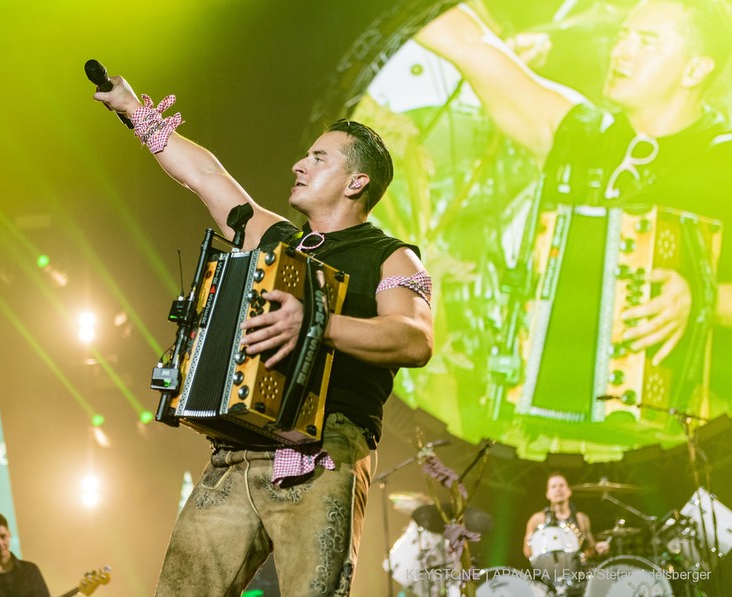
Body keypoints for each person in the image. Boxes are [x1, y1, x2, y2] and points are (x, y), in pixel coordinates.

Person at [92, 74, 434, 595]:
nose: (299, 164)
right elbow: (206, 176)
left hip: (324, 450)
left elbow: (414, 339)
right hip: (238, 449)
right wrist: (135, 110)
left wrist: (316, 325)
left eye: (320, 158)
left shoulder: (390, 255)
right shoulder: (278, 240)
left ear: (356, 182)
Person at [416, 0, 732, 407]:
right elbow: (470, 43)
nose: (621, 51)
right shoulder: (580, 133)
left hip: (674, 433)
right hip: (542, 415)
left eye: (647, 41)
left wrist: (703, 299)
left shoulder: (722, 160)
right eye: (623, 35)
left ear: (695, 69)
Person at [523, 473, 609, 591]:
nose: (558, 489)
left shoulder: (581, 519)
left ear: (569, 491)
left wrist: (598, 548)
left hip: (576, 577)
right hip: (547, 580)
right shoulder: (537, 519)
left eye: (561, 485)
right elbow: (527, 550)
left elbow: (590, 550)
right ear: (547, 494)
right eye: (553, 487)